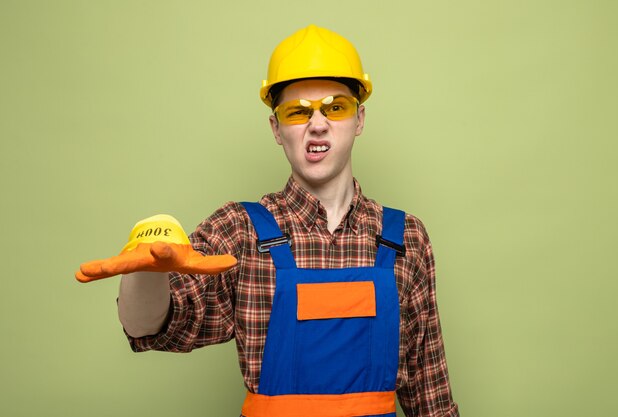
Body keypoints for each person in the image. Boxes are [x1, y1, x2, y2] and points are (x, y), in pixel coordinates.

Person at [77, 24, 460, 417]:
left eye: (336, 107)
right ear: (276, 128)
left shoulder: (405, 238)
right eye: (297, 112)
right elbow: (153, 326)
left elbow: (430, 395)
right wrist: (146, 271)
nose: (317, 123)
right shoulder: (240, 231)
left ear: (359, 119)